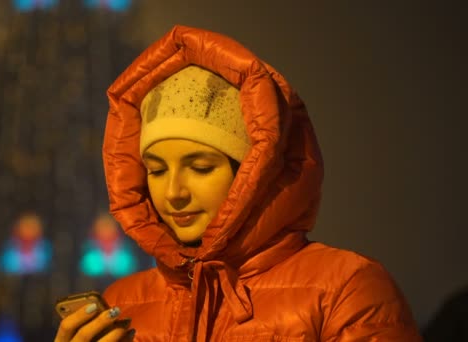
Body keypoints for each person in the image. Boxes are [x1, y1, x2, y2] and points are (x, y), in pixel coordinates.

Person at [55, 25, 422, 341]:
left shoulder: (345, 289)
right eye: (156, 170)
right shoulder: (124, 303)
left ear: (255, 172)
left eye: (200, 168)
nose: (173, 193)